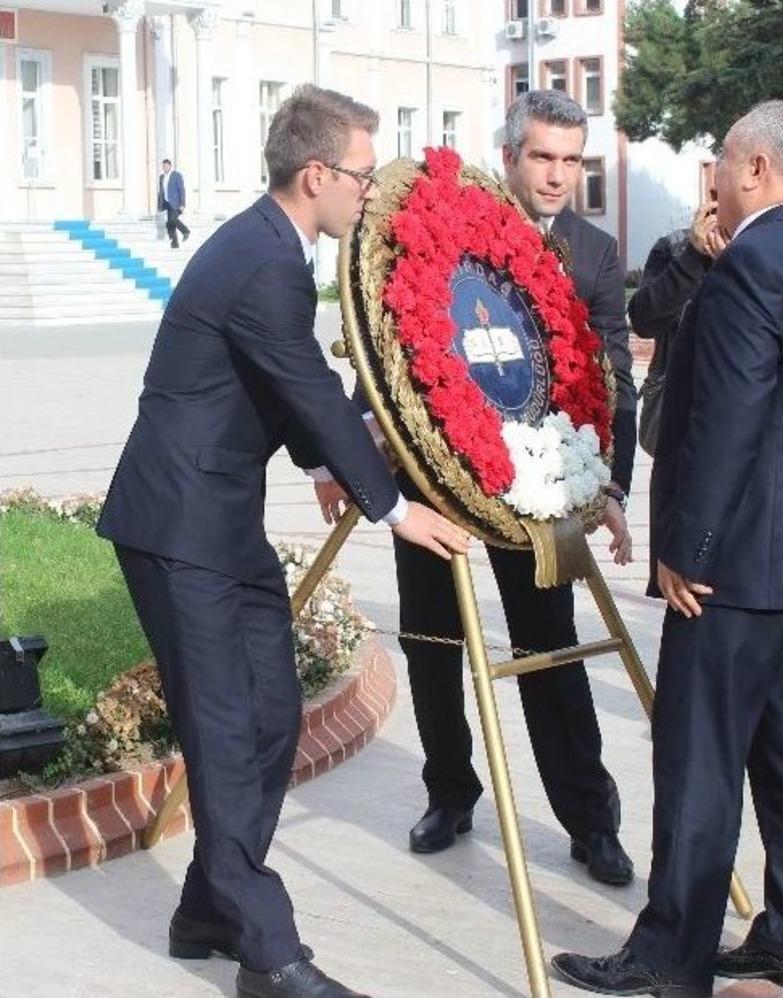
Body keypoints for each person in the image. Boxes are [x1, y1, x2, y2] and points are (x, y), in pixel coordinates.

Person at [98, 85, 469, 998]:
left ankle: (206, 911)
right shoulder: (263, 260)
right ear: (317, 175)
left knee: (270, 719)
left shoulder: (269, 248)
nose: (370, 193)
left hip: (220, 522)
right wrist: (392, 509)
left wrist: (324, 464)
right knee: (229, 733)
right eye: (362, 175)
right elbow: (301, 380)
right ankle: (270, 957)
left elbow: (278, 380)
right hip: (178, 526)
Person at [551, 100, 783, 997]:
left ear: (760, 170)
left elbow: (728, 425)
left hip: (734, 566)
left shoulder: (753, 267)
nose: (714, 182)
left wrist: (686, 549)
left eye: (724, 165)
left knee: (699, 762)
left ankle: (670, 956)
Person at [312, 90, 638, 884]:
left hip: (537, 491)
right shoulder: (434, 218)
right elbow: (386, 331)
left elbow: (613, 376)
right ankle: (449, 793)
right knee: (432, 643)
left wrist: (610, 487)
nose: (557, 176)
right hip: (427, 478)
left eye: (571, 160)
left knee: (549, 651)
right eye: (542, 157)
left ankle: (591, 821)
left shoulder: (591, 255)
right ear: (510, 157)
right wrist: (345, 460)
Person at [628, 191, 726, 457]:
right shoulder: (674, 248)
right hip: (676, 418)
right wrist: (692, 256)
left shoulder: (765, 249)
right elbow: (643, 320)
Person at [158, 158, 190, 248]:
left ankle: (185, 231)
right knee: (170, 224)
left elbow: (181, 190)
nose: (164, 168)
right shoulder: (162, 177)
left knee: (173, 219)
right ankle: (174, 243)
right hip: (167, 203)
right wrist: (160, 205)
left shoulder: (177, 175)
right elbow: (161, 192)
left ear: (170, 166)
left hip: (176, 203)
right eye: (163, 166)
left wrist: (183, 204)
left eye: (166, 166)